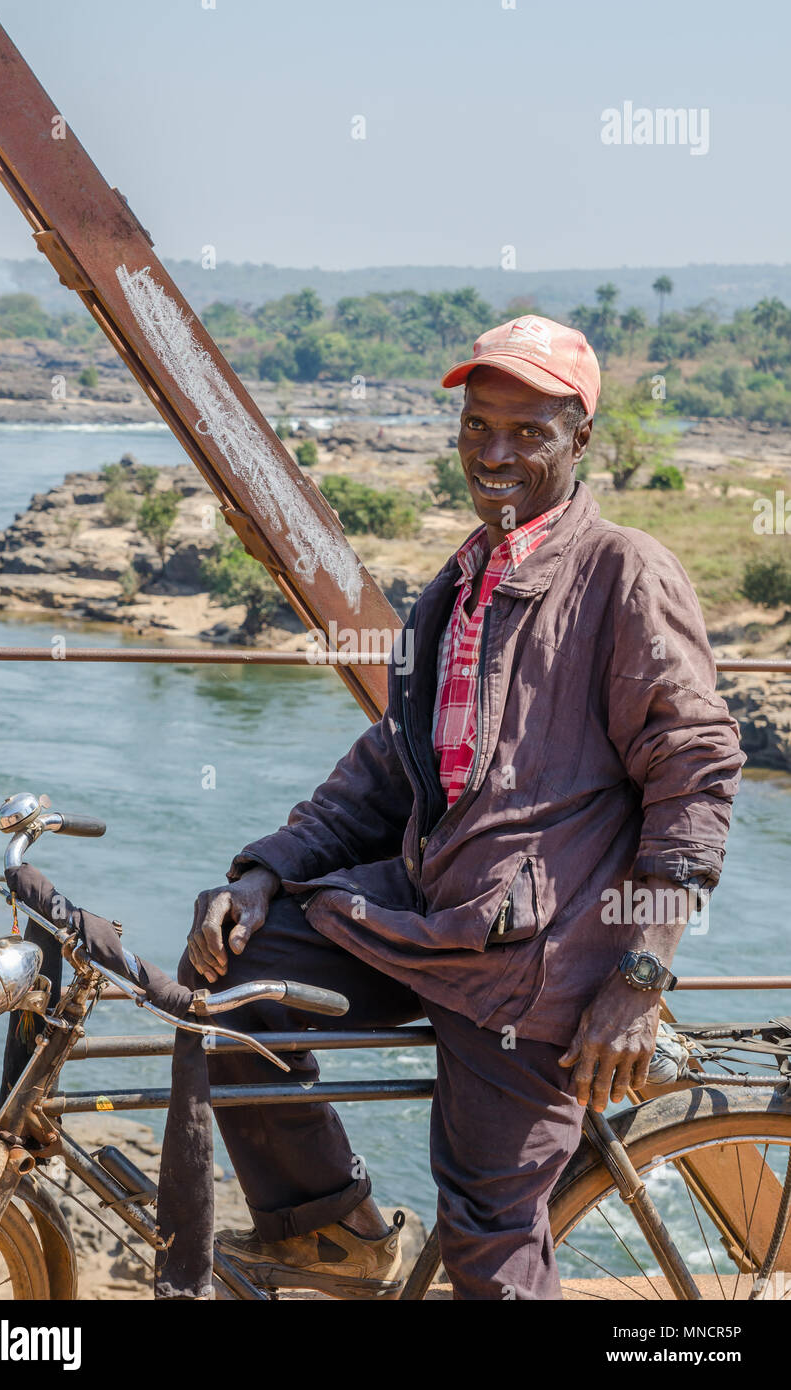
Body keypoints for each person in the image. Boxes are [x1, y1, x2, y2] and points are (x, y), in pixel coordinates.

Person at [158, 314, 744, 1301]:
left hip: (536, 968)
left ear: (581, 441)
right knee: (232, 982)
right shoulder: (464, 582)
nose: (496, 452)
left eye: (527, 432)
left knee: (488, 1239)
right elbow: (389, 770)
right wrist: (263, 873)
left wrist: (639, 977)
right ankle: (326, 1231)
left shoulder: (621, 574)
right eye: (479, 427)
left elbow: (696, 773)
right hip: (440, 921)